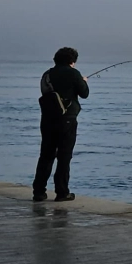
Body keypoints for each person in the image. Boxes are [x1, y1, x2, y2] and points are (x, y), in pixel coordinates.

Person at [32, 47, 89, 202]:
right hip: (67, 119)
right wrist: (83, 82)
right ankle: (62, 192)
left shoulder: (47, 74)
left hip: (48, 119)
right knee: (64, 157)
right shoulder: (74, 73)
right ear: (72, 61)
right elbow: (84, 94)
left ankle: (38, 191)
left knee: (46, 155)